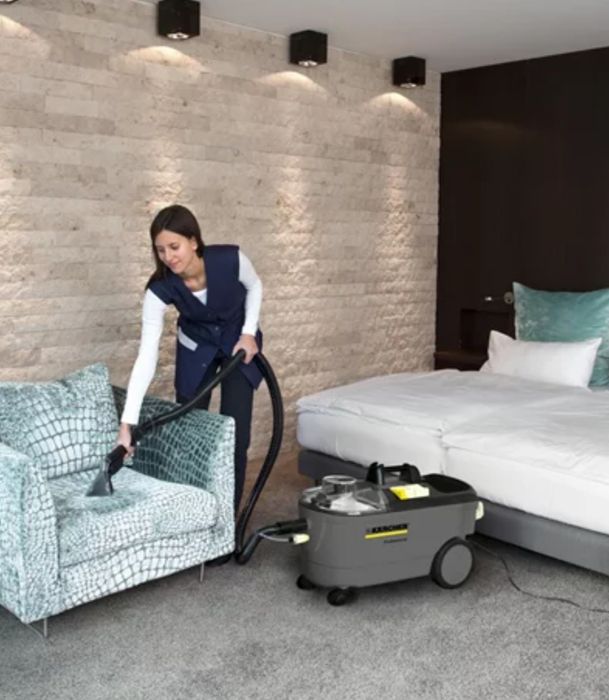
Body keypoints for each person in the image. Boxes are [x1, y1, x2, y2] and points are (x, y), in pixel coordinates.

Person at [118, 204, 263, 517]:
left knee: (236, 434)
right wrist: (127, 424)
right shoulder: (159, 289)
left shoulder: (231, 260)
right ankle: (192, 513)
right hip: (196, 347)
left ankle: (227, 519)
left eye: (174, 246)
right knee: (188, 428)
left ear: (194, 241)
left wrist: (249, 333)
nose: (168, 257)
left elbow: (255, 286)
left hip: (238, 344)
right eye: (160, 250)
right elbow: (147, 354)